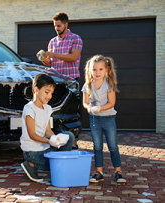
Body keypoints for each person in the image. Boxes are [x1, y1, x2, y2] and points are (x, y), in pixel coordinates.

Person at [37, 12, 83, 150]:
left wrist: (53, 54)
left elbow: (74, 57)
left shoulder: (76, 38)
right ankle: (53, 139)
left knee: (70, 111)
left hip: (70, 81)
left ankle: (73, 141)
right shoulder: (53, 41)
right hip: (54, 82)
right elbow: (50, 63)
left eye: (59, 25)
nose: (56, 28)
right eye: (55, 26)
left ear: (66, 24)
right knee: (52, 110)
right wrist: (43, 58)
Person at [20, 73, 74, 182]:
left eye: (51, 93)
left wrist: (55, 139)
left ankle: (56, 165)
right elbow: (32, 134)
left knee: (70, 136)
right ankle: (30, 164)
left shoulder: (47, 108)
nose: (49, 96)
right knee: (60, 164)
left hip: (44, 147)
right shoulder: (29, 109)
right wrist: (49, 141)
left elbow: (48, 130)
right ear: (36, 90)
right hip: (32, 152)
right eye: (46, 92)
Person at [82, 55, 126, 183]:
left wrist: (99, 108)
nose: (97, 72)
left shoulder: (109, 84)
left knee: (112, 146)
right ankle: (99, 173)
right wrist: (89, 108)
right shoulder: (87, 85)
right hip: (94, 119)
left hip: (108, 119)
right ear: (90, 70)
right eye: (94, 70)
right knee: (97, 146)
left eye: (100, 69)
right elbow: (85, 102)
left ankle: (118, 172)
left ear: (106, 70)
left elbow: (111, 103)